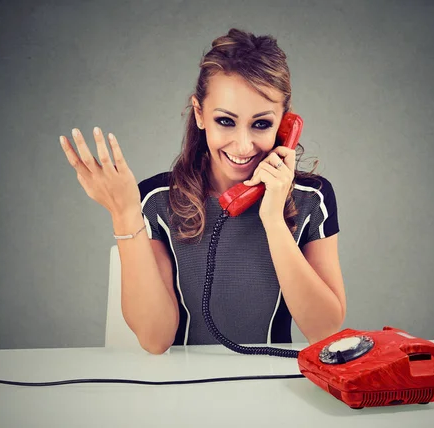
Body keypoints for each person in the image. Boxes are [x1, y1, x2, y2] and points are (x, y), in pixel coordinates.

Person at [59, 28, 346, 355]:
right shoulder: (157, 200)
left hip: (270, 381)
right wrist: (124, 214)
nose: (243, 144)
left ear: (284, 123)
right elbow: (156, 339)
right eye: (226, 121)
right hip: (182, 387)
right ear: (199, 114)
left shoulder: (311, 198)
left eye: (261, 124)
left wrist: (273, 218)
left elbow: (324, 330)